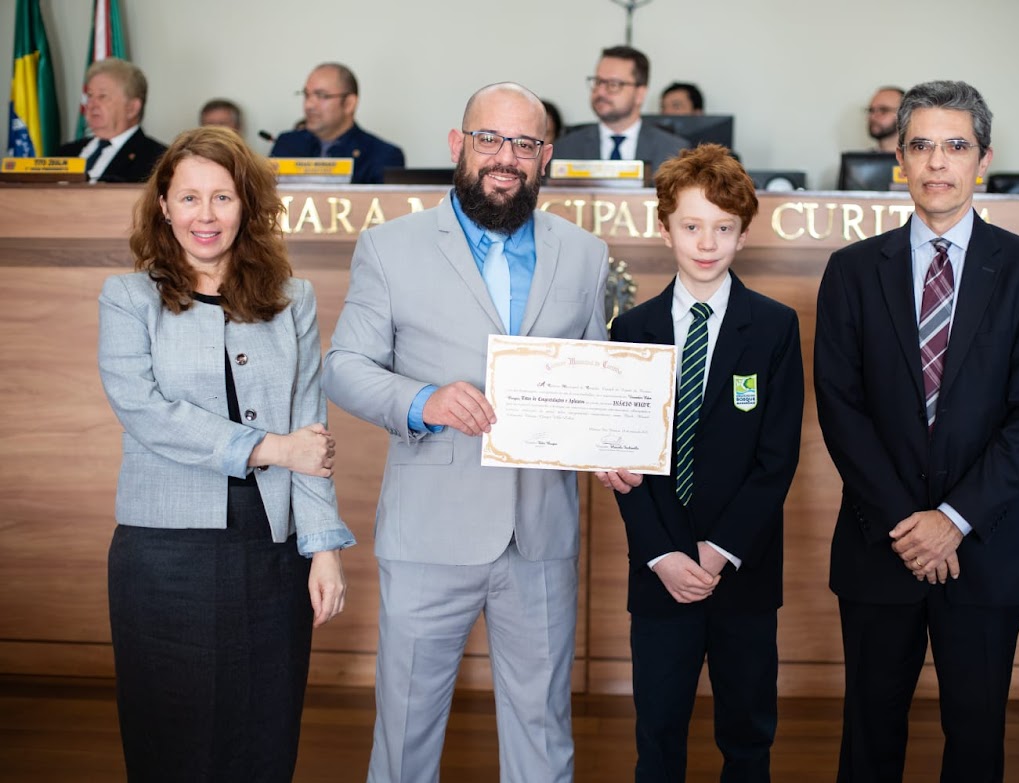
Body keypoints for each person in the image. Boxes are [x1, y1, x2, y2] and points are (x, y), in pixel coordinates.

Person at [322, 82, 609, 783]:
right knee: (406, 732)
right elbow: (343, 367)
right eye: (489, 139)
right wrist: (424, 400)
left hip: (540, 534)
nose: (504, 157)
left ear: (545, 156)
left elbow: (596, 375)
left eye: (523, 143)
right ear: (458, 145)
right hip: (429, 534)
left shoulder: (583, 252)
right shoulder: (390, 247)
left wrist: (610, 446)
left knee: (542, 733)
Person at [814, 80, 1019, 782]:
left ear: (982, 159)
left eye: (954, 146)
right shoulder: (851, 272)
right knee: (868, 733)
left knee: (976, 736)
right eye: (919, 145)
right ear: (898, 158)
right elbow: (840, 408)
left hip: (986, 545)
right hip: (878, 543)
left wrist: (952, 519)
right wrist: (907, 522)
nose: (935, 163)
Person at [97, 126, 354, 782]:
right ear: (163, 205)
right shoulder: (127, 298)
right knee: (170, 736)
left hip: (271, 550)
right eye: (188, 198)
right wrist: (270, 447)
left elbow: (311, 430)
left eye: (222, 198)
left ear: (247, 204)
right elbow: (148, 413)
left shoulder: (292, 299)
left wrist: (322, 547)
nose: (205, 216)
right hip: (163, 553)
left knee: (263, 730)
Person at [597, 143, 804, 782]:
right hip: (659, 568)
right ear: (665, 230)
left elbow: (777, 459)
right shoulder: (630, 331)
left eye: (723, 228)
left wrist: (716, 552)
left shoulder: (773, 327)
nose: (706, 243)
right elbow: (624, 461)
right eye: (691, 226)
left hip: (740, 569)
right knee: (658, 733)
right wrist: (664, 555)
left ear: (743, 236)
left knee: (747, 732)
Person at [555, 45, 688, 173]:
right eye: (598, 82)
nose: (600, 92)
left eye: (613, 84)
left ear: (639, 94)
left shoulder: (674, 152)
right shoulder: (564, 149)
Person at [268, 62, 405, 184]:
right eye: (306, 95)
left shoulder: (383, 155)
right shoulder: (287, 144)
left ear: (349, 103)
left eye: (321, 96)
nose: (309, 105)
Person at [56, 57, 167, 183]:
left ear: (132, 108)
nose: (91, 104)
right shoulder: (66, 152)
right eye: (90, 96)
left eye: (102, 96)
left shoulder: (158, 160)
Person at [866, 86, 904, 153]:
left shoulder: (919, 160)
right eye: (871, 110)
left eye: (883, 110)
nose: (873, 116)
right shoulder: (861, 161)